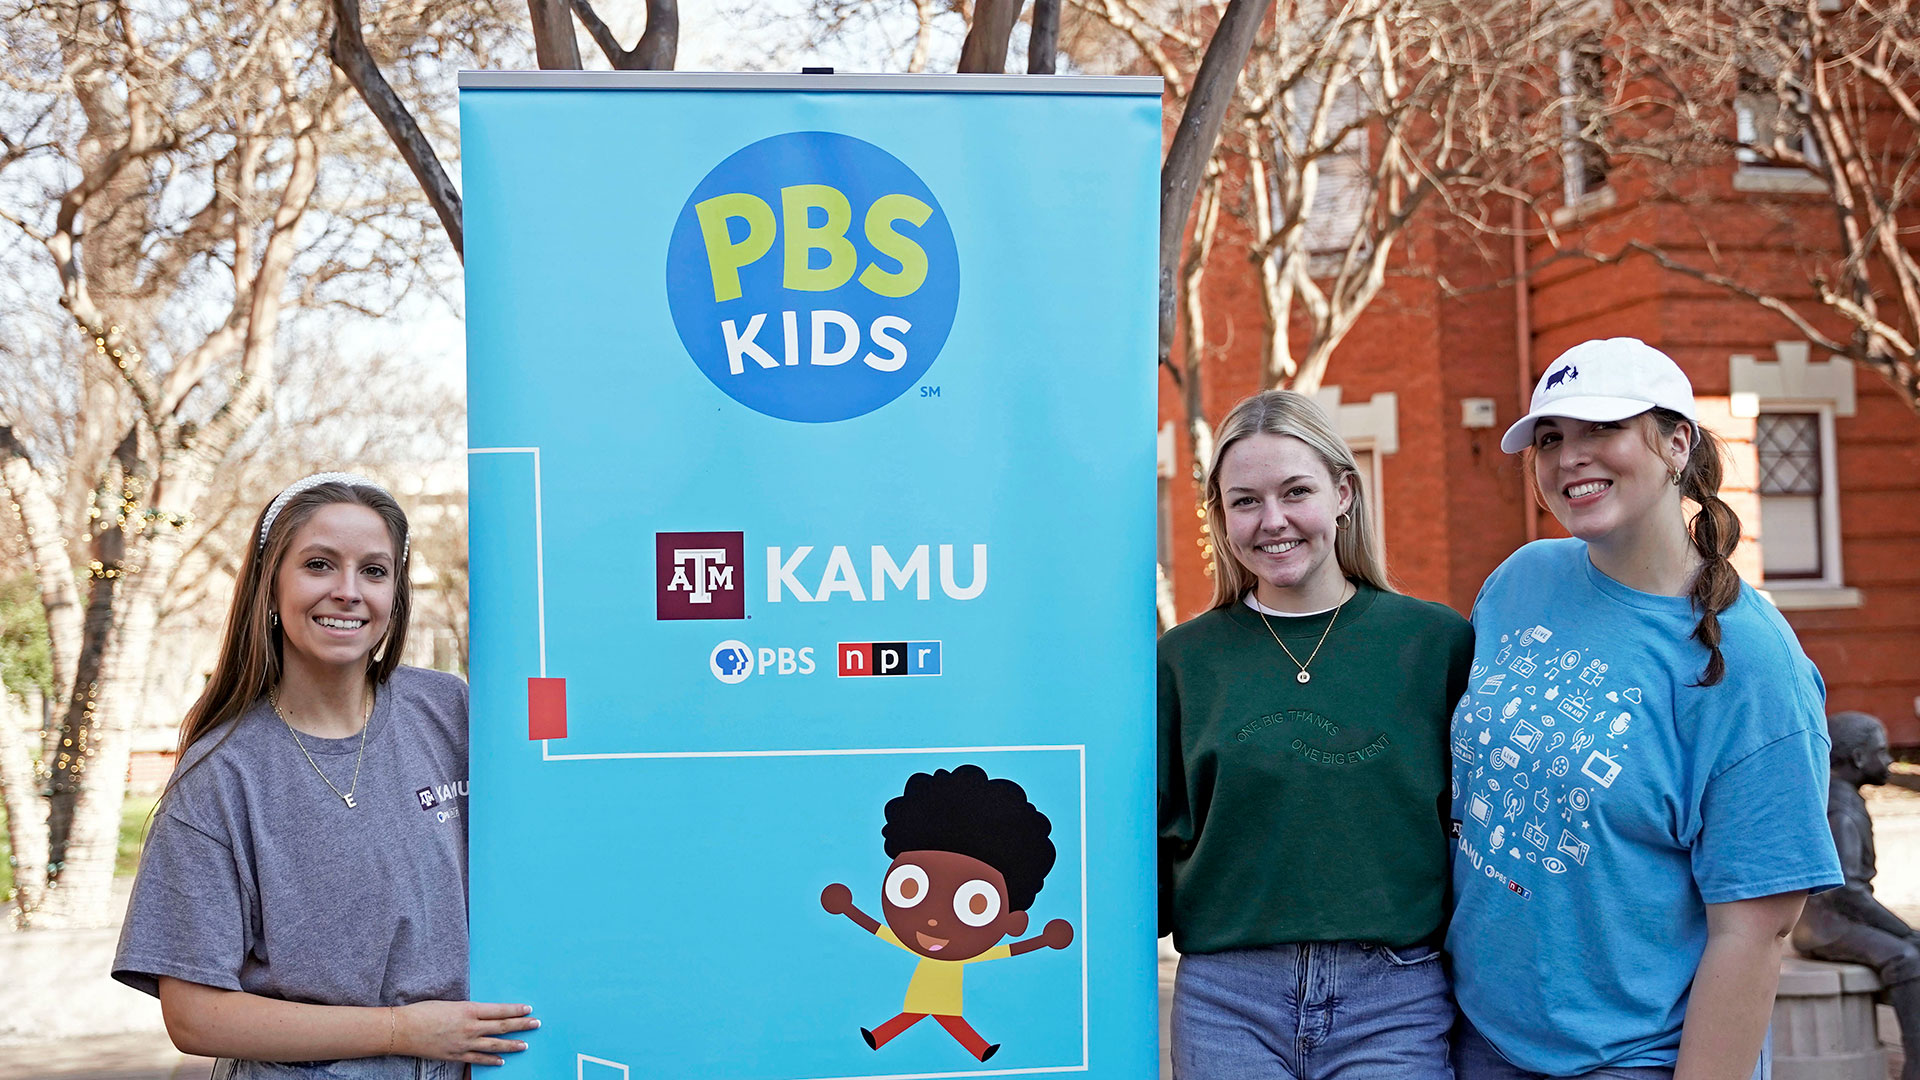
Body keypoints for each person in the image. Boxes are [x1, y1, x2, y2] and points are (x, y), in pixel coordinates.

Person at [1448, 339, 1843, 1080]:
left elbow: (1755, 934)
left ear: (1675, 442)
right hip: (1474, 1041)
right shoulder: (1519, 580)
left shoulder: (1755, 667)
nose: (1570, 458)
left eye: (1602, 430)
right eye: (1551, 438)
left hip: (1629, 1060)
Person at [113, 473, 539, 1077]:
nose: (348, 591)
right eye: (319, 565)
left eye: (373, 570)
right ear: (271, 585)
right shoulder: (219, 776)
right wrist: (402, 1031)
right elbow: (194, 1016)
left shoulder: (450, 711)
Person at [1158, 390, 1473, 1079]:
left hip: (1396, 998)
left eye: (1295, 492)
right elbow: (1149, 842)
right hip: (1227, 999)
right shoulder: (1182, 661)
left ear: (1343, 493)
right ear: (1220, 517)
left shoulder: (1434, 643)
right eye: (1244, 501)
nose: (1273, 521)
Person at [818, 764, 1075, 1063]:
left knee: (931, 1016)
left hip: (942, 990)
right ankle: (970, 1049)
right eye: (909, 887)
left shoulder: (966, 951)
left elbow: (1010, 950)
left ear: (1013, 921)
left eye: (976, 904)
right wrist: (847, 908)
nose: (933, 919)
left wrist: (1044, 940)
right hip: (932, 990)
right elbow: (877, 928)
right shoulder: (955, 949)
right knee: (928, 1015)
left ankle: (960, 1047)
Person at [1793, 710, 1920, 1080]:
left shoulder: (1838, 796)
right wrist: (1902, 930)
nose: (1889, 760)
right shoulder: (1841, 807)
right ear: (1858, 758)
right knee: (1909, 958)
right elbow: (1847, 891)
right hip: (1826, 925)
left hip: (1827, 919)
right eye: (1881, 752)